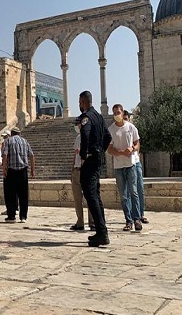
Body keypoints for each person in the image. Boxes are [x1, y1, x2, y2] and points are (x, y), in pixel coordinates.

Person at [78, 91, 112, 247]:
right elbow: (108, 137)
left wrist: (85, 155)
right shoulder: (99, 116)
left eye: (80, 102)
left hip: (91, 160)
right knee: (95, 195)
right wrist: (100, 150)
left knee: (90, 194)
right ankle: (101, 231)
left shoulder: (86, 117)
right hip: (98, 159)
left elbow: (85, 134)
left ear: (83, 102)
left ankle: (102, 233)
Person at [108, 104, 142, 232]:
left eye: (118, 112)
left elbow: (137, 143)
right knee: (123, 195)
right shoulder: (111, 130)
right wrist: (120, 152)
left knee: (133, 192)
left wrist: (132, 148)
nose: (117, 115)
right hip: (118, 166)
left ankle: (137, 219)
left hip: (130, 164)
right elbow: (109, 148)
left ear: (123, 113)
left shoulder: (131, 127)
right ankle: (128, 220)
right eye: (114, 113)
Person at [3, 127, 35, 223]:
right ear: (19, 133)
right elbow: (32, 155)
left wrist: (4, 168)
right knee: (23, 195)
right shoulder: (25, 142)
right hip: (23, 171)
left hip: (11, 171)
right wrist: (33, 170)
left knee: (10, 194)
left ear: (12, 133)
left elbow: (5, 155)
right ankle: (23, 217)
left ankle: (11, 216)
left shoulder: (8, 141)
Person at [123, 110, 148, 224]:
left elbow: (138, 145)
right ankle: (131, 216)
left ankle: (141, 213)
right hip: (124, 164)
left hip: (135, 162)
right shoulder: (119, 130)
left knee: (139, 188)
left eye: (126, 118)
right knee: (127, 191)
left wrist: (134, 150)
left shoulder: (132, 128)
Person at [70, 117, 94, 231]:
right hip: (77, 169)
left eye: (78, 124)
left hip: (87, 169)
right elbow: (75, 155)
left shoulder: (90, 137)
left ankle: (92, 222)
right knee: (77, 198)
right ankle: (80, 221)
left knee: (89, 197)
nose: (77, 126)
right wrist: (72, 169)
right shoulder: (78, 137)